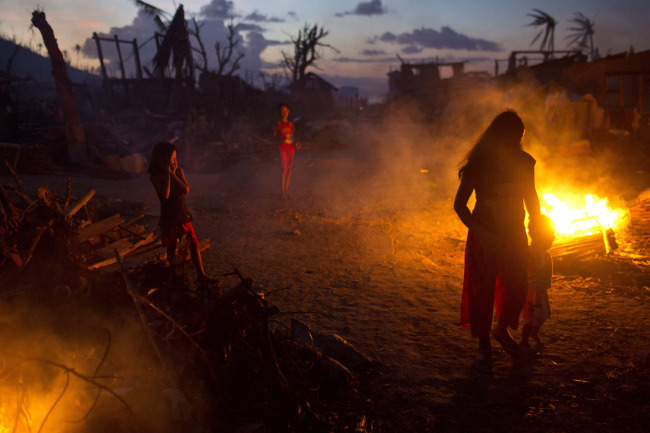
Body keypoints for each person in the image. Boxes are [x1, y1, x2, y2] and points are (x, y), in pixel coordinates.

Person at [454, 110, 541, 373]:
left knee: (518, 285)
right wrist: (484, 234)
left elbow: (532, 198)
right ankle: (484, 346)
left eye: (517, 141)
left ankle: (501, 331)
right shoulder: (479, 165)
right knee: (482, 290)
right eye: (508, 141)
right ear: (497, 138)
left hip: (515, 233)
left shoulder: (525, 162)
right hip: (485, 235)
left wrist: (536, 228)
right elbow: (460, 206)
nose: (513, 146)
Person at [148, 142, 213, 287]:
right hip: (168, 216)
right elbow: (164, 196)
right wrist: (168, 175)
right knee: (171, 248)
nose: (175, 161)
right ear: (163, 158)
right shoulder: (155, 177)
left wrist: (173, 175)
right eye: (172, 157)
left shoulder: (179, 171)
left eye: (176, 157)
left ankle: (201, 275)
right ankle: (175, 277)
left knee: (194, 244)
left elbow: (186, 189)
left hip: (182, 214)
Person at [520, 215, 555, 354]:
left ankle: (533, 334)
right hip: (532, 292)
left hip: (541, 290)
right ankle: (524, 341)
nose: (553, 239)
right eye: (550, 236)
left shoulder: (544, 254)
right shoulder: (531, 253)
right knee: (531, 318)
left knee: (542, 315)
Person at [273, 102, 301, 199]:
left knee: (289, 170)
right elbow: (274, 136)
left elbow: (290, 137)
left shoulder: (290, 124)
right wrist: (281, 140)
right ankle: (282, 193)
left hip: (290, 148)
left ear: (288, 112)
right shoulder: (278, 124)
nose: (284, 113)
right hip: (282, 149)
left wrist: (295, 143)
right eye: (282, 111)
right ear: (280, 112)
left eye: (286, 111)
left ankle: (286, 192)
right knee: (283, 170)